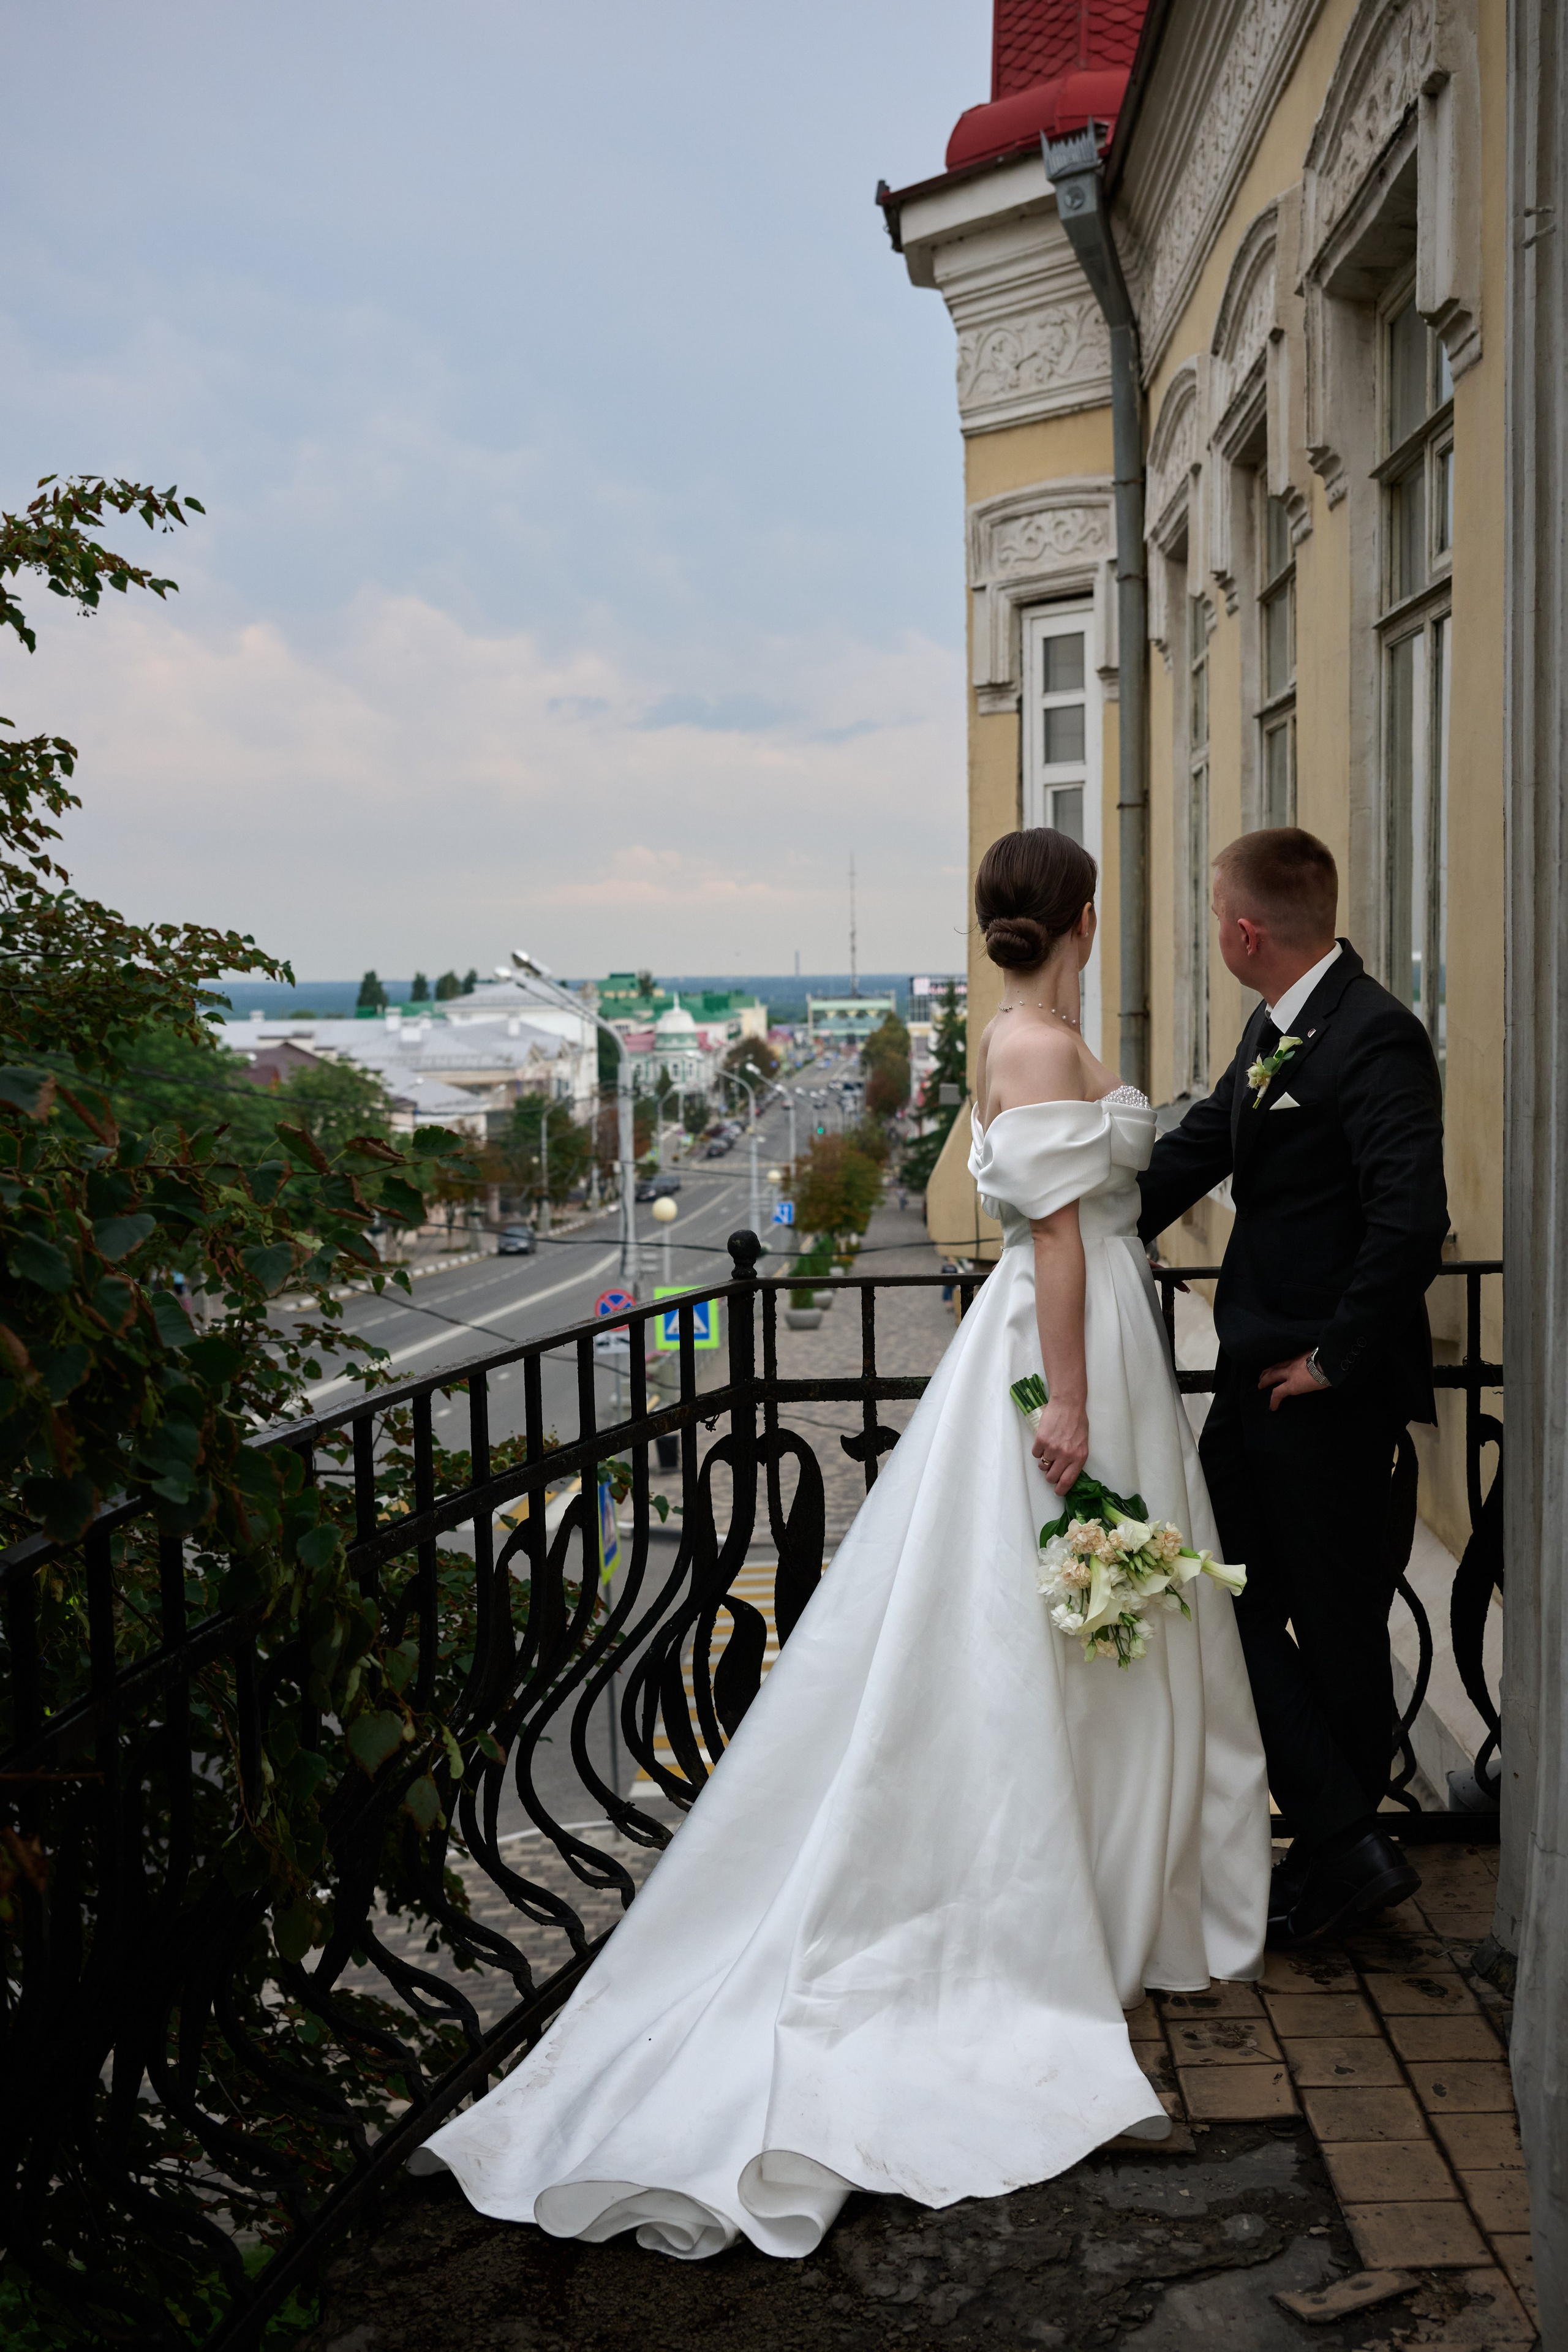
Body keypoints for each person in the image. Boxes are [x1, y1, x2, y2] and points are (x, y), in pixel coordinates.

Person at [413, 828, 1269, 2260]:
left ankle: (1108, 1888)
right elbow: (1058, 1239)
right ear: (1081, 916)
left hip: (1092, 1330)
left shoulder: (1030, 1035)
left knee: (1086, 1621)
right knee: (1051, 1618)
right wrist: (1067, 1403)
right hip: (1067, 1348)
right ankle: (1051, 1906)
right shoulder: (1037, 1047)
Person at [1137, 828, 1448, 1948]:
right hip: (1252, 1383)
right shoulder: (1275, 1028)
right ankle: (1347, 1846)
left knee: (1337, 1628)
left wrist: (1332, 1361)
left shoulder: (1376, 1034)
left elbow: (1411, 1218)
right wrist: (1073, 1223)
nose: (1212, 927)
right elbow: (1201, 1147)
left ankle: (1338, 1866)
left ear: (1246, 930)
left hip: (1322, 1399)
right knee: (1214, 1595)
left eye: (1214, 909)